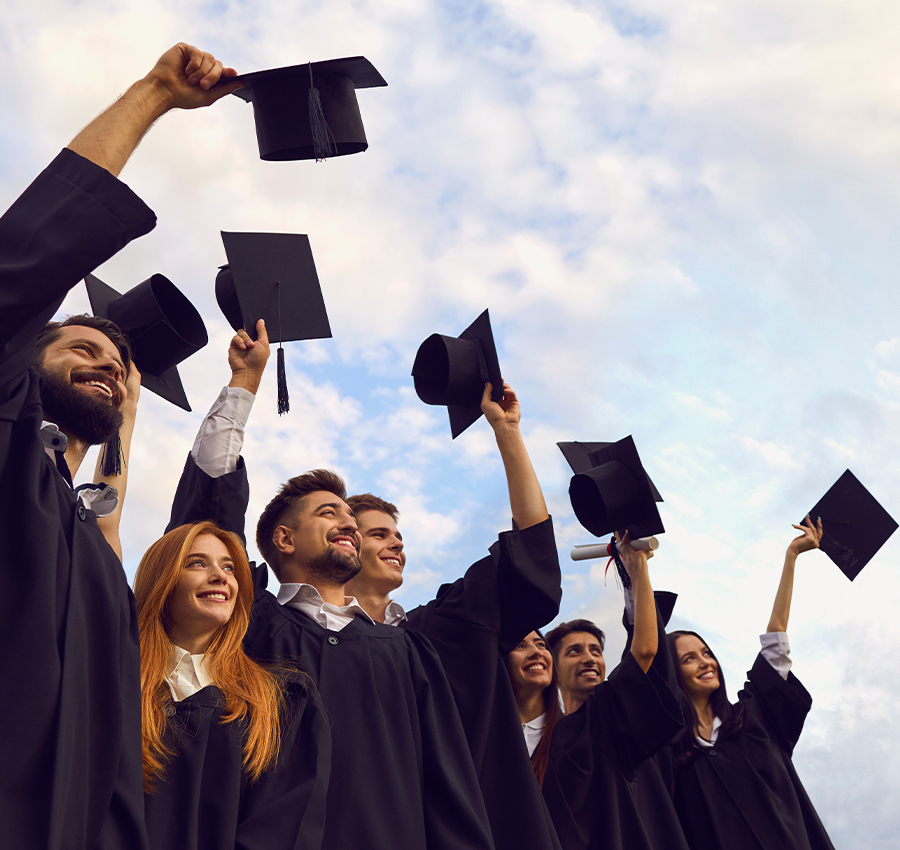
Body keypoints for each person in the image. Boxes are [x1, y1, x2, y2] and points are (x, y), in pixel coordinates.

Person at [0, 42, 239, 850]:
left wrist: (123, 427)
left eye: (122, 365)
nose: (109, 366)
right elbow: (25, 260)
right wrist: (152, 95)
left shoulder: (78, 535)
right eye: (82, 350)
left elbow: (100, 526)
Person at [167, 336, 496, 850]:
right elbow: (203, 530)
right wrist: (244, 385)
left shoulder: (407, 652)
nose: (349, 525)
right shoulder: (253, 623)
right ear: (284, 539)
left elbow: (448, 789)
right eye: (329, 514)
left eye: (351, 519)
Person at [342, 381, 563, 850]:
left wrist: (508, 433)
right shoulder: (299, 637)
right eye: (378, 534)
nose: (397, 543)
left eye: (397, 535)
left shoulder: (441, 628)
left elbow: (530, 552)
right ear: (344, 542)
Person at [135, 520, 330, 850]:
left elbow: (282, 828)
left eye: (229, 567)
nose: (221, 576)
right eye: (198, 563)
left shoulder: (281, 700)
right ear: (161, 581)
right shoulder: (116, 688)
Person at [668, 517, 836, 850]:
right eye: (689, 659)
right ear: (673, 676)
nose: (705, 662)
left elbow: (775, 642)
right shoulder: (671, 753)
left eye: (705, 653)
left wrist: (791, 558)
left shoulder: (753, 717)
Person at [540, 537, 685, 850]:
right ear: (553, 671)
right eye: (574, 652)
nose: (590, 658)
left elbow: (645, 652)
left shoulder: (613, 716)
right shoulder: (544, 738)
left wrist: (636, 570)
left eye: (596, 650)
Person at [505, 630, 563, 786]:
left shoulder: (572, 736)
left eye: (541, 645)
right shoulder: (484, 737)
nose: (536, 652)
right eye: (519, 646)